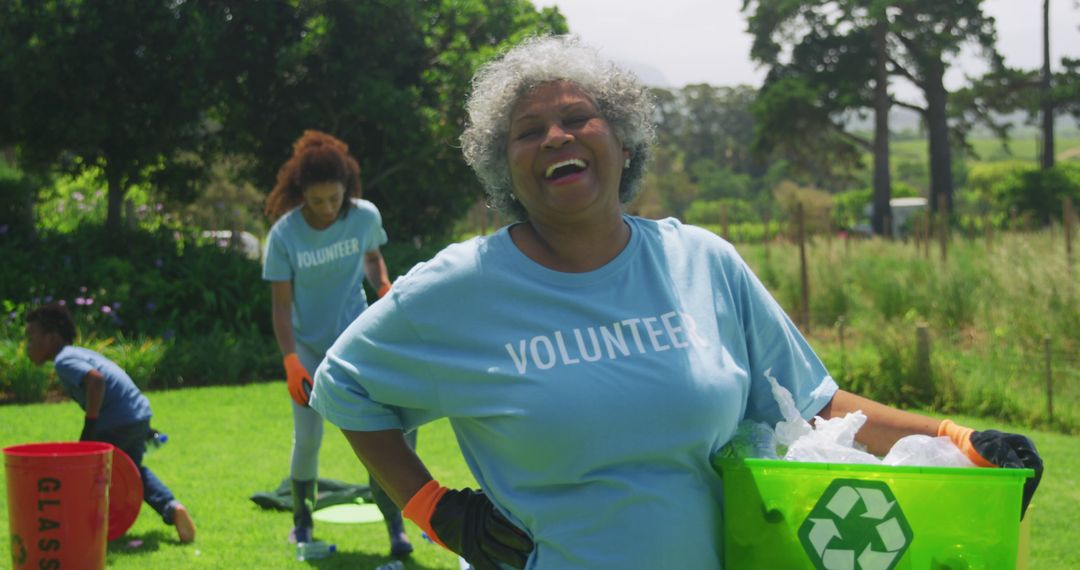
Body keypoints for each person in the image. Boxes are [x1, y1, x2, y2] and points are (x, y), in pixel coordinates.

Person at [309, 36, 1043, 569]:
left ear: (623, 142)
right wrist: (433, 508)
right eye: (527, 132)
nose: (555, 137)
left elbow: (814, 403)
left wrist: (958, 436)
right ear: (505, 170)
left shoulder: (703, 262)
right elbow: (342, 386)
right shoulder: (460, 287)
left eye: (578, 118)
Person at [262, 130, 414, 556]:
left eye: (335, 199)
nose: (328, 209)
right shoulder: (285, 235)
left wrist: (382, 285)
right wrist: (291, 359)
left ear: (347, 191)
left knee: (379, 430)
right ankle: (302, 524)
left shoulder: (363, 216)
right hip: (308, 349)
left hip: (355, 341)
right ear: (301, 194)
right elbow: (280, 306)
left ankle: (396, 531)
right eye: (318, 201)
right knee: (308, 438)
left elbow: (371, 256)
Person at [24, 304, 197, 544]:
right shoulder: (77, 353)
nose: (27, 346)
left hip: (115, 420)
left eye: (31, 338)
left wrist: (91, 425)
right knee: (132, 471)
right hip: (137, 414)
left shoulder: (64, 360)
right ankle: (172, 507)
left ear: (51, 338)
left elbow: (96, 381)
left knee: (89, 474)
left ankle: (80, 527)